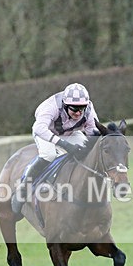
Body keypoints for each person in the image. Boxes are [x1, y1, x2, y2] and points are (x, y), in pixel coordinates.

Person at [12, 83, 99, 213]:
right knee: (49, 155)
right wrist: (64, 144)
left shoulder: (89, 110)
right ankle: (23, 189)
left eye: (82, 108)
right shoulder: (51, 107)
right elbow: (38, 128)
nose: (79, 112)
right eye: (74, 109)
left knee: (87, 151)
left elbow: (94, 132)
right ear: (65, 105)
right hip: (45, 133)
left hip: (69, 132)